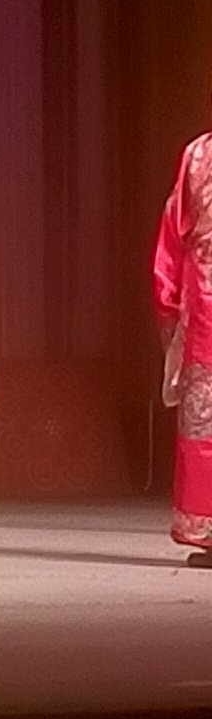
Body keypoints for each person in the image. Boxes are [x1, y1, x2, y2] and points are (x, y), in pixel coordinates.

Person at [154, 124, 212, 565]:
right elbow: (174, 234)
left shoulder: (199, 153)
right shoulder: (198, 154)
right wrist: (170, 304)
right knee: (205, 424)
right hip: (206, 311)